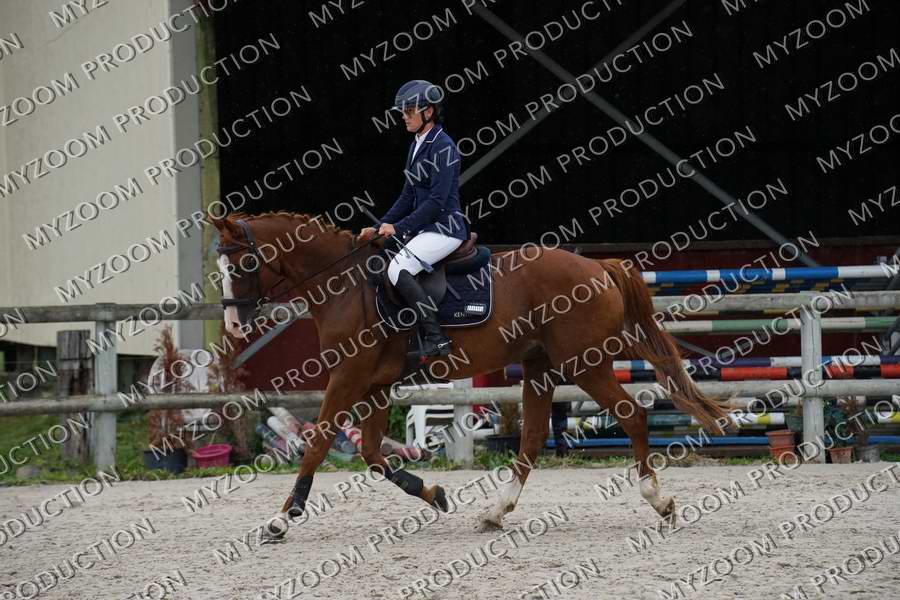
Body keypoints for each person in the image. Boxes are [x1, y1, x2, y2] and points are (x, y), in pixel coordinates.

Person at [359, 80, 469, 357]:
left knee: (398, 270)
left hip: (445, 228)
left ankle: (436, 338)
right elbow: (407, 196)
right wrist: (377, 228)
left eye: (409, 111)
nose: (404, 117)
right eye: (403, 112)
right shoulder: (417, 144)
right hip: (425, 228)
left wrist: (398, 227)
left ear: (428, 112)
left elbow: (436, 202)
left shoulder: (443, 146)